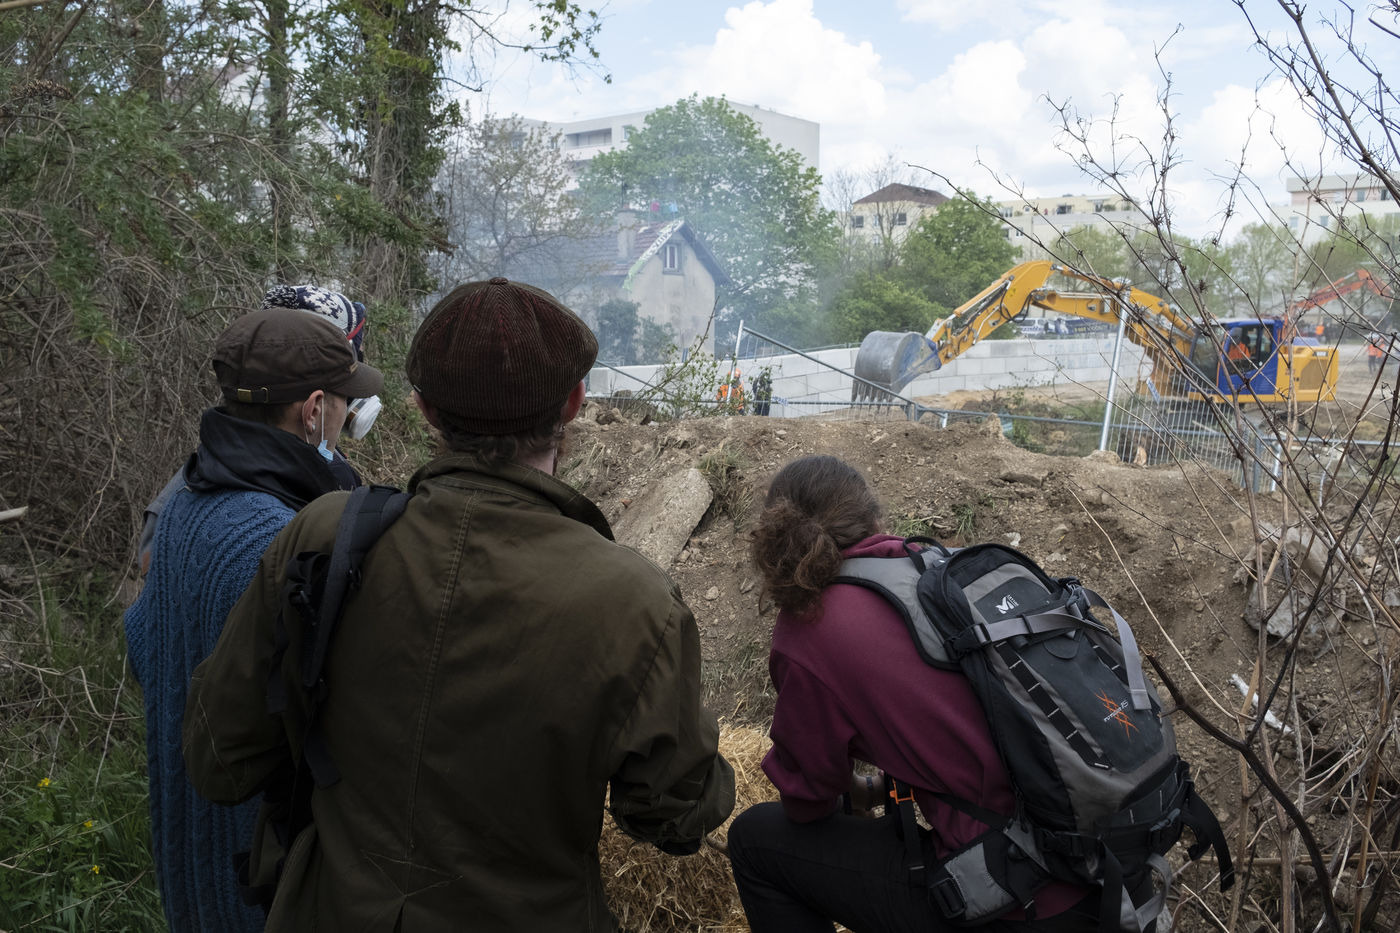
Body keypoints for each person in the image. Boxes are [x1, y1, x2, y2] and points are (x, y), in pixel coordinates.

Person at [183, 277, 736, 931]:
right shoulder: (637, 602)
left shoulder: (323, 537)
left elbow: (219, 759)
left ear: (423, 409)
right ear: (575, 402)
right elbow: (675, 817)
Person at [727, 455, 1100, 933]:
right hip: (1101, 865)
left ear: (775, 543)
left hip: (1017, 896)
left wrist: (845, 785)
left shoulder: (809, 627)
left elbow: (809, 799)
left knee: (754, 841)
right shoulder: (940, 571)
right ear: (874, 518)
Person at [124, 309, 384, 933]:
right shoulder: (277, 537)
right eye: (344, 402)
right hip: (259, 881)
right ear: (313, 410)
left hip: (189, 858)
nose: (349, 417)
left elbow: (142, 647)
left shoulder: (186, 499)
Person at [136, 284, 377, 575]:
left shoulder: (191, 488)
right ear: (314, 407)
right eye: (347, 386)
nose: (352, 402)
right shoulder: (256, 526)